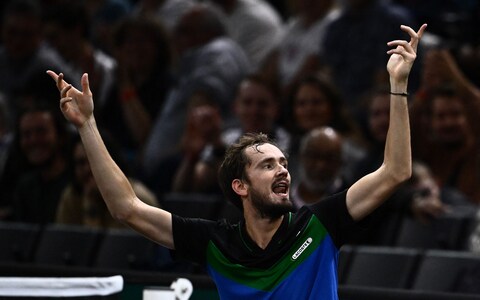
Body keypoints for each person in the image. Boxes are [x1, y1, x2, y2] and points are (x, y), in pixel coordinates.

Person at [48, 23, 425, 299]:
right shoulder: (215, 244)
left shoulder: (320, 225)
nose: (282, 170)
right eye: (267, 165)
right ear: (239, 186)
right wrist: (88, 125)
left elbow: (395, 172)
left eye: (283, 163)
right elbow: (126, 208)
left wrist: (398, 85)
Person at [56, 134, 159, 229]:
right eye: (81, 163)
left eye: (93, 160)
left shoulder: (138, 200)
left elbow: (114, 247)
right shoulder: (71, 197)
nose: (88, 169)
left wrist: (91, 207)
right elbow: (62, 244)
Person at [290, 126, 351, 211]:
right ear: (301, 157)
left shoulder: (350, 201)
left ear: (341, 162)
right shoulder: (283, 200)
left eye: (330, 158)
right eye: (314, 156)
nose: (320, 166)